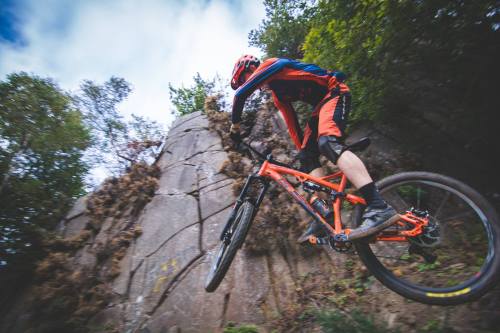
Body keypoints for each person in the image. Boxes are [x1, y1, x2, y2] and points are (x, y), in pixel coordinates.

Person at [229, 55, 397, 242]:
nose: (253, 85)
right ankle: (325, 215)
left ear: (249, 68)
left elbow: (240, 95)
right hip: (320, 107)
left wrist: (235, 125)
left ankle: (379, 206)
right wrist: (304, 153)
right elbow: (293, 126)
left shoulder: (272, 65)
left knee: (327, 143)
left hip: (335, 92)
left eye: (243, 79)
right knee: (307, 157)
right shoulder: (278, 96)